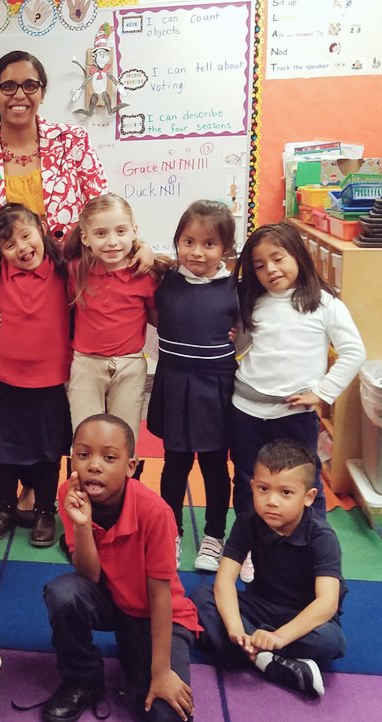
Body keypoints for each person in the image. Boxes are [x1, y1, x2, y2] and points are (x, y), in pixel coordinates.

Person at [230, 223, 365, 580]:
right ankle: (251, 547)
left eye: (278, 258)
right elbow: (246, 347)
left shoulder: (323, 303)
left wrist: (323, 392)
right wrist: (235, 338)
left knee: (304, 483)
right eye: (259, 265)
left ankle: (311, 549)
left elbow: (354, 351)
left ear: (299, 255)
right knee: (248, 480)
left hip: (294, 414)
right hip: (246, 410)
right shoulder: (252, 300)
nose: (271, 270)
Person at [43, 414, 199, 722]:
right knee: (63, 592)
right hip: (112, 600)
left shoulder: (155, 512)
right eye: (83, 454)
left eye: (109, 457)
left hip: (156, 614)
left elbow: (160, 596)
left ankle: (139, 650)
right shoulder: (69, 494)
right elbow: (89, 576)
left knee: (166, 716)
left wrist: (161, 672)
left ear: (131, 466)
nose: (94, 465)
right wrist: (83, 525)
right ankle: (82, 679)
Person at [191, 440, 346, 699]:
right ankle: (266, 659)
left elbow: (327, 603)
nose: (271, 501)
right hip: (260, 605)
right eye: (263, 489)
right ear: (252, 487)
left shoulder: (321, 536)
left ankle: (244, 651)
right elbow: (224, 581)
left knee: (332, 640)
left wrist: (279, 638)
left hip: (302, 617)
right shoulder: (248, 522)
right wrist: (235, 628)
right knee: (201, 595)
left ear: (308, 497)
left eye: (285, 493)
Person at [147, 201, 238, 571]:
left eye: (209, 244)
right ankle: (172, 532)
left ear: (226, 248)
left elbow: (249, 330)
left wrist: (239, 338)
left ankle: (215, 535)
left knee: (215, 466)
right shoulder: (166, 280)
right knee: (174, 465)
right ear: (177, 241)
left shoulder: (235, 287)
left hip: (215, 389)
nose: (197, 251)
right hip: (174, 385)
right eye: (188, 242)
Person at [0, 205, 71, 547]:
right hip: (7, 379)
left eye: (26, 236)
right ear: (0, 252)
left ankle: (45, 510)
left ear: (42, 229)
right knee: (5, 447)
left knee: (48, 449)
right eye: (9, 244)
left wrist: (144, 250)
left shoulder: (63, 267)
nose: (21, 248)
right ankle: (3, 508)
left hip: (49, 381)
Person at [0, 50, 107, 249]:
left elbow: (103, 214)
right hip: (2, 269)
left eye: (30, 86)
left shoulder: (72, 141)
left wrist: (137, 247)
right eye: (8, 87)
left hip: (69, 267)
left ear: (42, 94)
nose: (19, 95)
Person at [65, 193, 160, 449]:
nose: (112, 242)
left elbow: (161, 318)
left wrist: (145, 247)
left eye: (121, 231)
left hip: (130, 365)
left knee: (124, 438)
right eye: (100, 233)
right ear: (85, 238)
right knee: (84, 435)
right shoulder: (76, 271)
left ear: (134, 232)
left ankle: (126, 475)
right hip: (87, 365)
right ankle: (82, 476)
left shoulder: (144, 273)